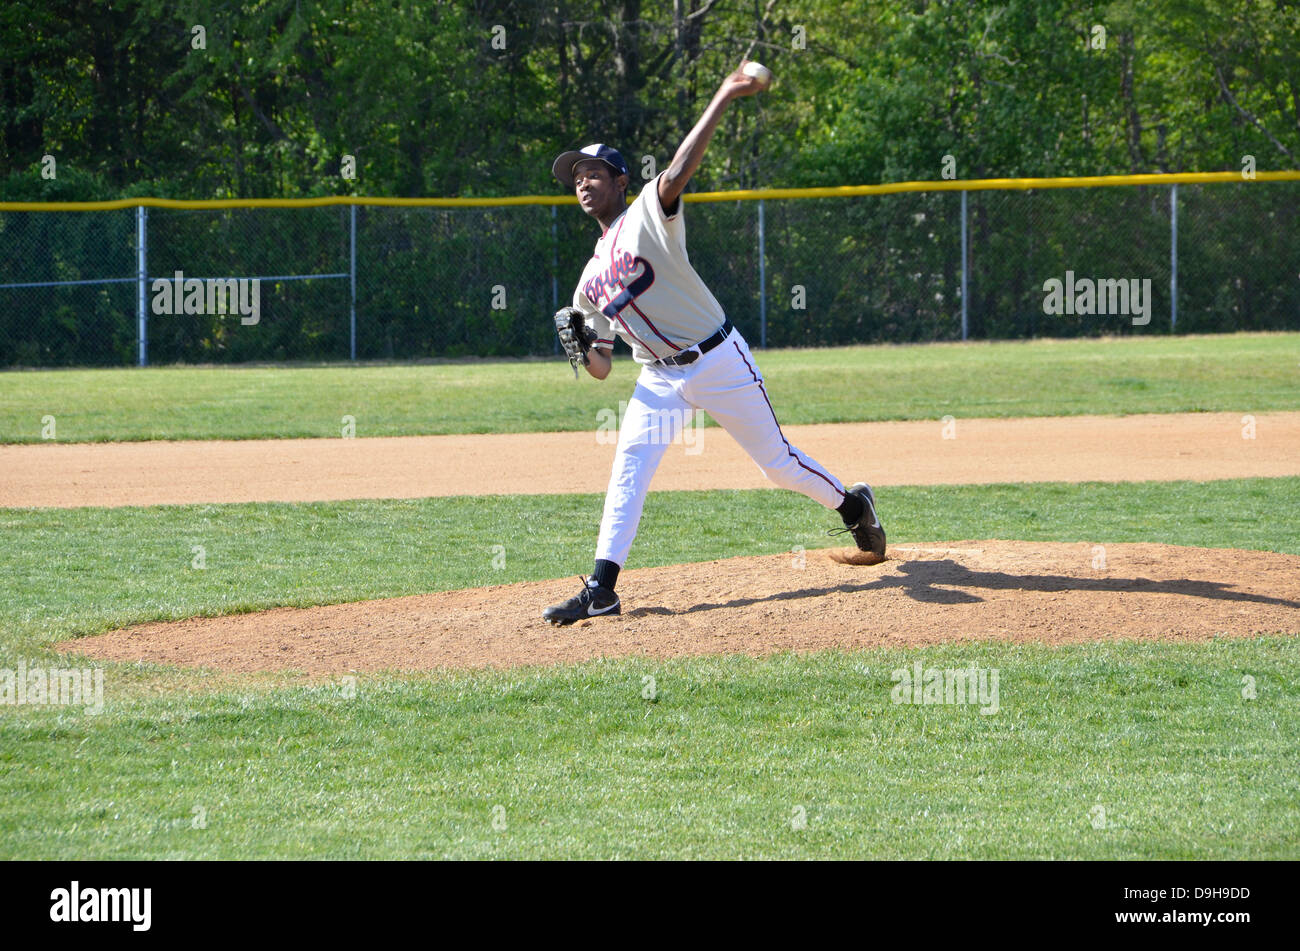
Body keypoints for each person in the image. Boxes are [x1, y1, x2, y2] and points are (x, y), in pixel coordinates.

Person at [542, 63, 885, 626]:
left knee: (777, 463)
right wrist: (583, 350)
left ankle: (853, 505)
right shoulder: (586, 282)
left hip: (718, 356)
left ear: (621, 181)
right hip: (657, 377)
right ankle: (601, 589)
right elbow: (603, 368)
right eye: (575, 176)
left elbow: (678, 169)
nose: (582, 181)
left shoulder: (649, 216)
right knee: (628, 465)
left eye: (594, 172)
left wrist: (726, 93)